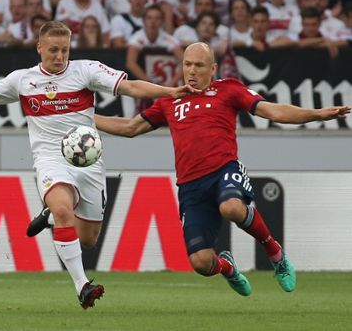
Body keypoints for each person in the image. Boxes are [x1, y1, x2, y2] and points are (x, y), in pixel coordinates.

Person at [31, 42, 350, 296]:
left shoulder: (229, 89)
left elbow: (272, 110)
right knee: (200, 262)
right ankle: (228, 267)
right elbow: (129, 127)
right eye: (187, 64)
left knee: (232, 207)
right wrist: (82, 119)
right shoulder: (170, 101)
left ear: (213, 68)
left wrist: (317, 115)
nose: (192, 71)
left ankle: (275, 252)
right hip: (190, 185)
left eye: (199, 65)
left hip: (224, 168)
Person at [0, 21, 192, 309]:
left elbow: (130, 86)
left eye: (64, 50)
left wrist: (169, 92)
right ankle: (82, 285)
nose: (59, 56)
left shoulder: (86, 71)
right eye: (52, 50)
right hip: (51, 159)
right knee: (64, 211)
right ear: (39, 48)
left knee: (88, 240)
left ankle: (50, 216)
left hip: (88, 162)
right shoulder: (22, 80)